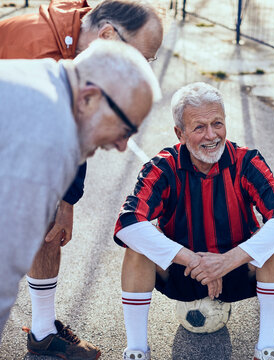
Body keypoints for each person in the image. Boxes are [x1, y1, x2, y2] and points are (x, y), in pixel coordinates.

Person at [0, 0, 163, 356]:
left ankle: (42, 330)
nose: (123, 145)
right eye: (124, 128)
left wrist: (66, 200)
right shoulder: (33, 58)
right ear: (107, 37)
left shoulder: (63, 72)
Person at [114, 82, 274, 360]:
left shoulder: (246, 161)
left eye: (217, 123)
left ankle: (267, 349)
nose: (211, 135)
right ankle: (137, 350)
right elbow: (127, 222)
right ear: (180, 133)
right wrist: (193, 260)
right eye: (199, 127)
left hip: (236, 269)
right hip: (182, 271)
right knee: (137, 248)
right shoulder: (163, 167)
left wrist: (225, 262)